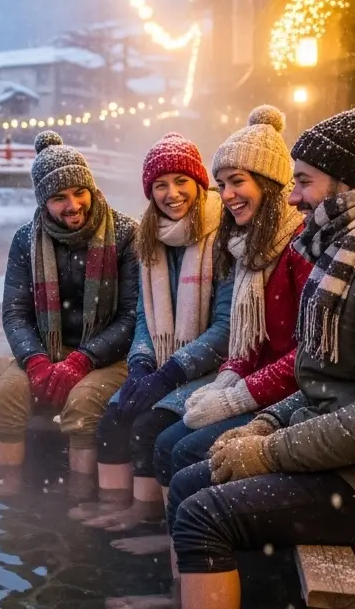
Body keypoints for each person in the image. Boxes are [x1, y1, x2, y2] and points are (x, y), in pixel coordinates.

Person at [164, 93, 355, 609]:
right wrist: (266, 423)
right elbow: (324, 382)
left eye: (304, 181)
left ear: (348, 183)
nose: (293, 198)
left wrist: (267, 451)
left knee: (205, 514)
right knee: (191, 480)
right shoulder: (353, 255)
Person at [148, 107, 311, 495]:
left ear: (270, 183)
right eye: (221, 184)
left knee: (185, 451)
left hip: (294, 396)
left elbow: (308, 354)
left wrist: (236, 398)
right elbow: (247, 342)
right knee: (166, 440)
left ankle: (198, 542)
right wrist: (225, 381)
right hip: (258, 383)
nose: (227, 195)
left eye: (237, 181)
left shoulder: (300, 247)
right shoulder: (248, 245)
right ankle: (174, 541)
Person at [77, 133, 230, 530]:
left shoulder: (224, 238)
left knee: (149, 426)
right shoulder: (150, 238)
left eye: (181, 181)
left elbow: (226, 327)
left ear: (199, 183)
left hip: (212, 370)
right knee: (113, 417)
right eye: (160, 185)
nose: (172, 193)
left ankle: (148, 520)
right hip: (163, 363)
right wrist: (143, 364)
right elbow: (145, 317)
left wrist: (170, 373)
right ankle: (115, 504)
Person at [0, 131, 139, 490]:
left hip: (110, 356)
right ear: (42, 202)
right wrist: (36, 361)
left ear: (92, 188)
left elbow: (132, 315)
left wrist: (82, 361)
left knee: (84, 405)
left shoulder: (127, 235)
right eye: (58, 197)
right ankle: (7, 500)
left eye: (79, 192)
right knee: (4, 397)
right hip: (45, 350)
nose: (73, 205)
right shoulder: (26, 240)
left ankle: (77, 505)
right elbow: (15, 313)